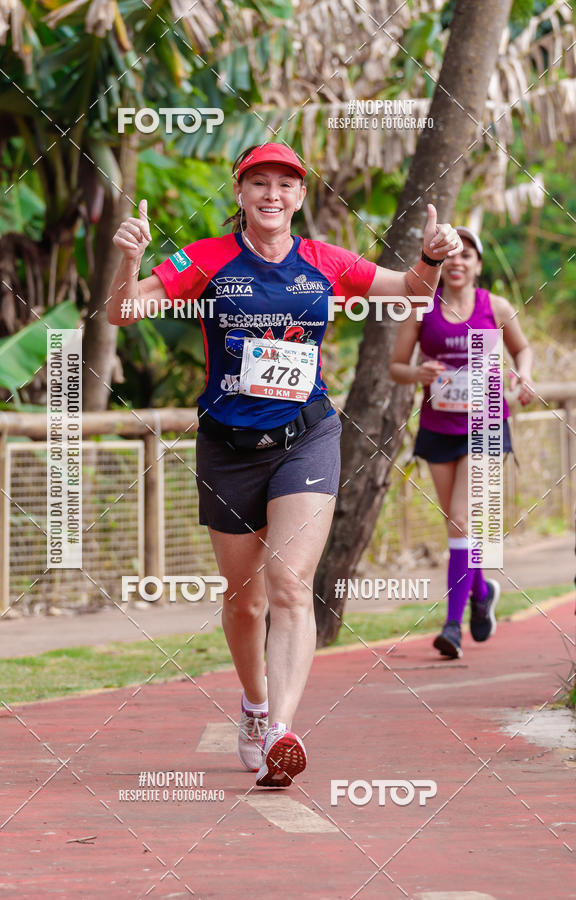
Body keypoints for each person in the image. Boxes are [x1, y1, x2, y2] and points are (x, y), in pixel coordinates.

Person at [107, 142, 462, 785]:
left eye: (285, 184)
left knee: (291, 585)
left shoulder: (324, 261)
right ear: (240, 195)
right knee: (244, 602)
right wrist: (128, 263)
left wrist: (431, 258)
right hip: (227, 446)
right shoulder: (207, 261)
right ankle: (254, 705)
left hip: (307, 436)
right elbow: (125, 310)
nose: (273, 195)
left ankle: (281, 733)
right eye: (259, 183)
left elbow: (409, 294)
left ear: (301, 196)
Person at [389, 226, 535, 659]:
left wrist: (523, 374)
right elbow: (396, 366)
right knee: (457, 526)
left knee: (460, 520)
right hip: (438, 427)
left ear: (477, 265)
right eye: (451, 255)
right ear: (440, 262)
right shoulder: (421, 308)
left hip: (487, 422)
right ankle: (482, 587)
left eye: (467, 255)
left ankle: (452, 625)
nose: (457, 262)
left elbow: (522, 349)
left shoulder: (497, 306)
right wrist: (419, 374)